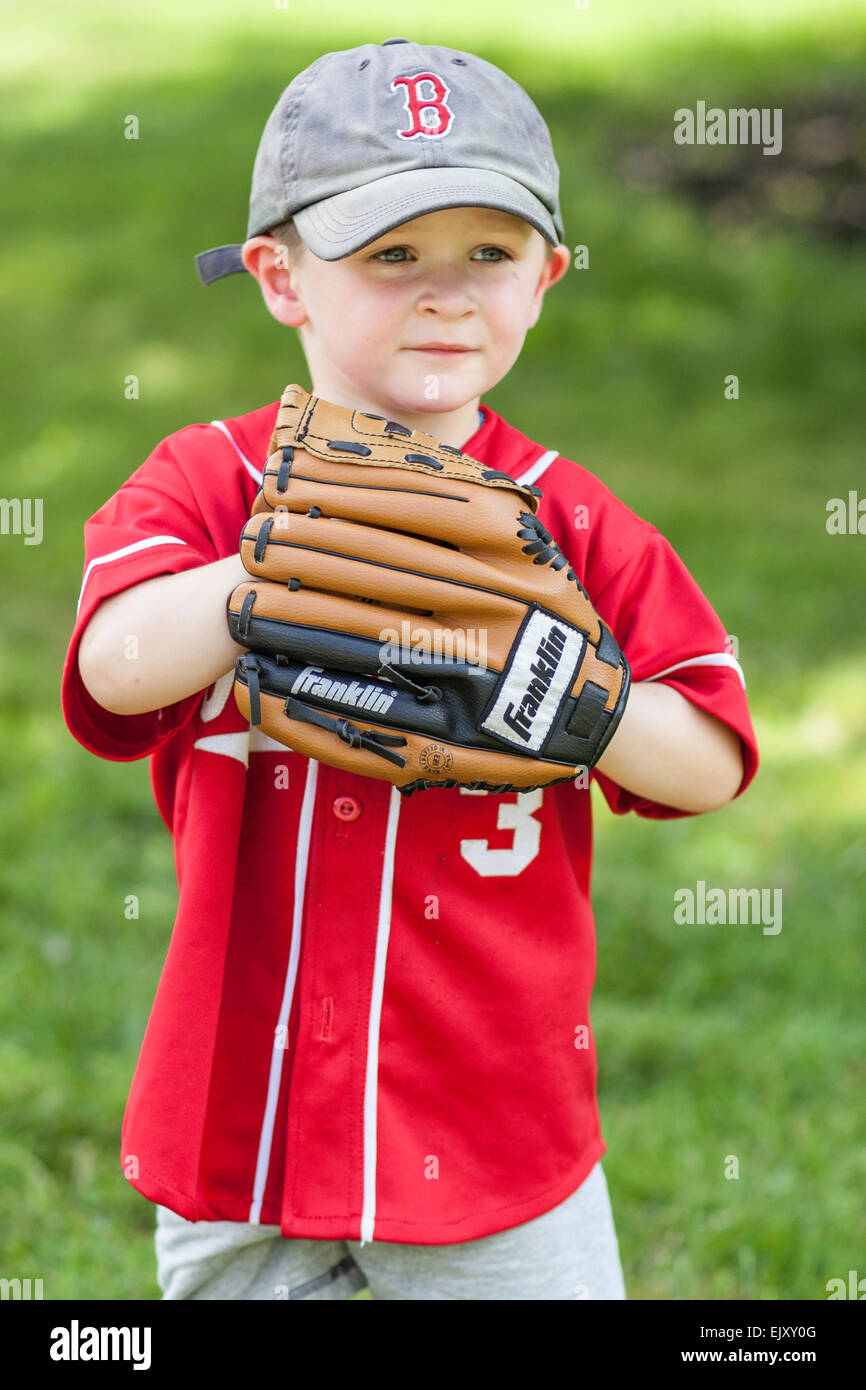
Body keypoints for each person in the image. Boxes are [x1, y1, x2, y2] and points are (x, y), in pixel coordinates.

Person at [61, 37, 758, 1300]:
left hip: (492, 1113)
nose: (446, 296)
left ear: (546, 276)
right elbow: (114, 669)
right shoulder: (210, 485)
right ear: (280, 277)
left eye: (487, 254)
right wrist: (269, 577)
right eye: (391, 256)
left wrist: (578, 697)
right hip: (245, 1102)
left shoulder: (570, 522)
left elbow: (708, 754)